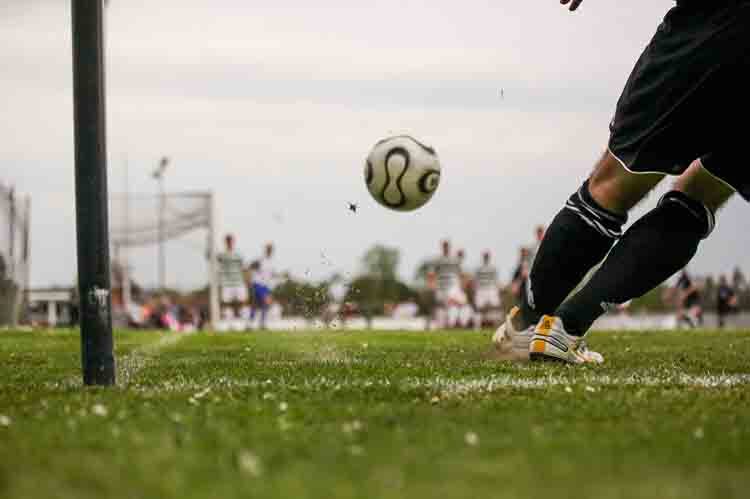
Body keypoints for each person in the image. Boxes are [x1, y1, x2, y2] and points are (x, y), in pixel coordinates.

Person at [495, 0, 749, 363]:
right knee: (700, 198)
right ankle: (566, 328)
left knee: (611, 186)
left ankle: (525, 327)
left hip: (714, 25)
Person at [427, 240, 467, 328]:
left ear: (449, 247)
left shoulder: (455, 259)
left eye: (447, 245)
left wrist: (463, 284)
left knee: (456, 301)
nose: (445, 247)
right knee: (442, 305)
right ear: (442, 247)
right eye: (444, 245)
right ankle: (444, 324)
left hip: (452, 285)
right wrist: (431, 284)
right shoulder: (437, 260)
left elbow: (461, 273)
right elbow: (431, 274)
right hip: (441, 286)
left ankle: (453, 323)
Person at [216, 234, 247, 325]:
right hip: (226, 283)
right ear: (225, 242)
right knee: (226, 303)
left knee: (243, 302)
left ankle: (246, 323)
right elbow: (212, 258)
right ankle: (229, 324)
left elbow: (243, 267)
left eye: (231, 241)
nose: (229, 242)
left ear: (233, 242)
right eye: (227, 241)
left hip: (238, 282)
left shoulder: (238, 254)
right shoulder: (221, 255)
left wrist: (245, 280)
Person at [250, 242, 278, 330]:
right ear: (265, 250)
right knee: (267, 301)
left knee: (260, 305)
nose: (269, 250)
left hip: (266, 286)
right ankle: (258, 324)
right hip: (258, 284)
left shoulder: (271, 262)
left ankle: (256, 324)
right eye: (268, 249)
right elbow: (250, 266)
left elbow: (272, 274)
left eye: (271, 249)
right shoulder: (260, 260)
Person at [474, 251, 502, 328]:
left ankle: (498, 327)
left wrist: (497, 290)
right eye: (485, 256)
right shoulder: (478, 268)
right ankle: (477, 327)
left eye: (487, 256)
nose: (486, 257)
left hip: (491, 289)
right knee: (479, 308)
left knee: (495, 307)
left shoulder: (493, 268)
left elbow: (496, 280)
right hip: (481, 289)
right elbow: (476, 280)